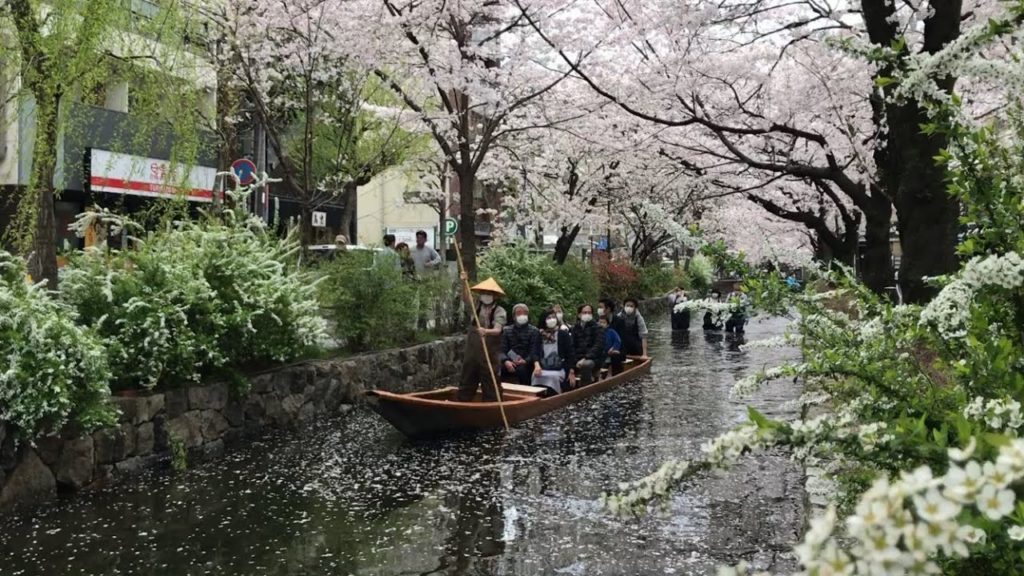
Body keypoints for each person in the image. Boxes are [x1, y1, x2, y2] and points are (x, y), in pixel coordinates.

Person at [456, 277, 508, 402]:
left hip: (489, 353)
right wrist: (464, 282)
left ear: (495, 296)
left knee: (490, 379)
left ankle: (493, 406)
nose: (486, 296)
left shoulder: (499, 311)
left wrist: (486, 331)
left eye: (489, 293)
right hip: (473, 352)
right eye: (484, 293)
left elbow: (497, 330)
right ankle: (463, 403)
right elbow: (466, 298)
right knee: (467, 376)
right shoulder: (476, 306)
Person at [531, 309, 576, 394]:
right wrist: (536, 365)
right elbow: (535, 351)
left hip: (559, 368)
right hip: (543, 367)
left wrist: (571, 371)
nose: (552, 319)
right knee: (535, 376)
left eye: (553, 317)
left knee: (553, 377)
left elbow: (570, 353)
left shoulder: (563, 334)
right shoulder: (539, 335)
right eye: (549, 318)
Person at [500, 303, 540, 385]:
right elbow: (501, 350)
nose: (522, 315)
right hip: (509, 361)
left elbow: (534, 351)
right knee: (497, 369)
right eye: (519, 313)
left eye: (525, 313)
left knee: (522, 370)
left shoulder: (534, 331)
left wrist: (525, 360)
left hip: (526, 362)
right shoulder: (506, 330)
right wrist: (506, 361)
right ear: (514, 317)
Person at [570, 304, 605, 386]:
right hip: (577, 357)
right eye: (584, 312)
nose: (587, 315)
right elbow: (571, 346)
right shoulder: (574, 328)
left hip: (593, 358)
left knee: (586, 365)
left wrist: (585, 358)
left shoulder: (598, 328)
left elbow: (598, 346)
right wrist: (573, 361)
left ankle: (585, 389)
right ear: (579, 314)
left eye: (589, 313)